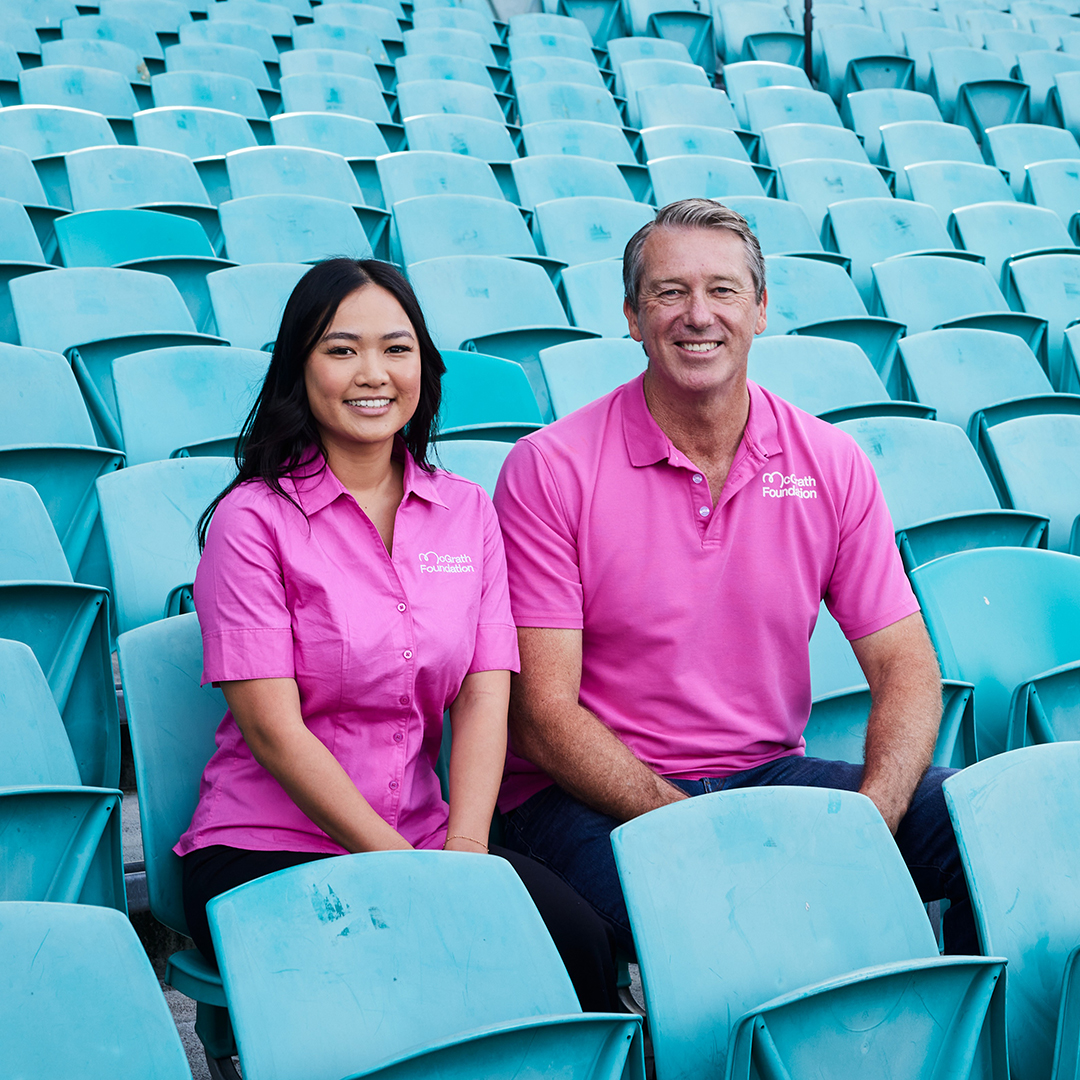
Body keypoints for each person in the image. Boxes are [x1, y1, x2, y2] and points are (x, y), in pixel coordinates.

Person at [492, 199, 976, 955]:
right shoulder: (550, 469)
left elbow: (905, 665)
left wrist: (873, 817)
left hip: (765, 775)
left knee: (980, 827)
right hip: (586, 798)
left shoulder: (831, 462)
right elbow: (543, 719)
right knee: (735, 920)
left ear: (759, 311)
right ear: (631, 314)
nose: (697, 315)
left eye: (722, 290)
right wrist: (700, 827)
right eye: (668, 291)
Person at [175, 258, 617, 1011]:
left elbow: (484, 697)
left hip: (426, 838)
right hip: (268, 849)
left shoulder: (466, 512)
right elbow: (275, 734)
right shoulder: (253, 522)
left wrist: (467, 856)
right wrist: (408, 873)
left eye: (396, 348)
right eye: (341, 349)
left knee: (582, 950)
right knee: (421, 969)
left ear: (423, 366)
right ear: (299, 368)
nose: (372, 373)